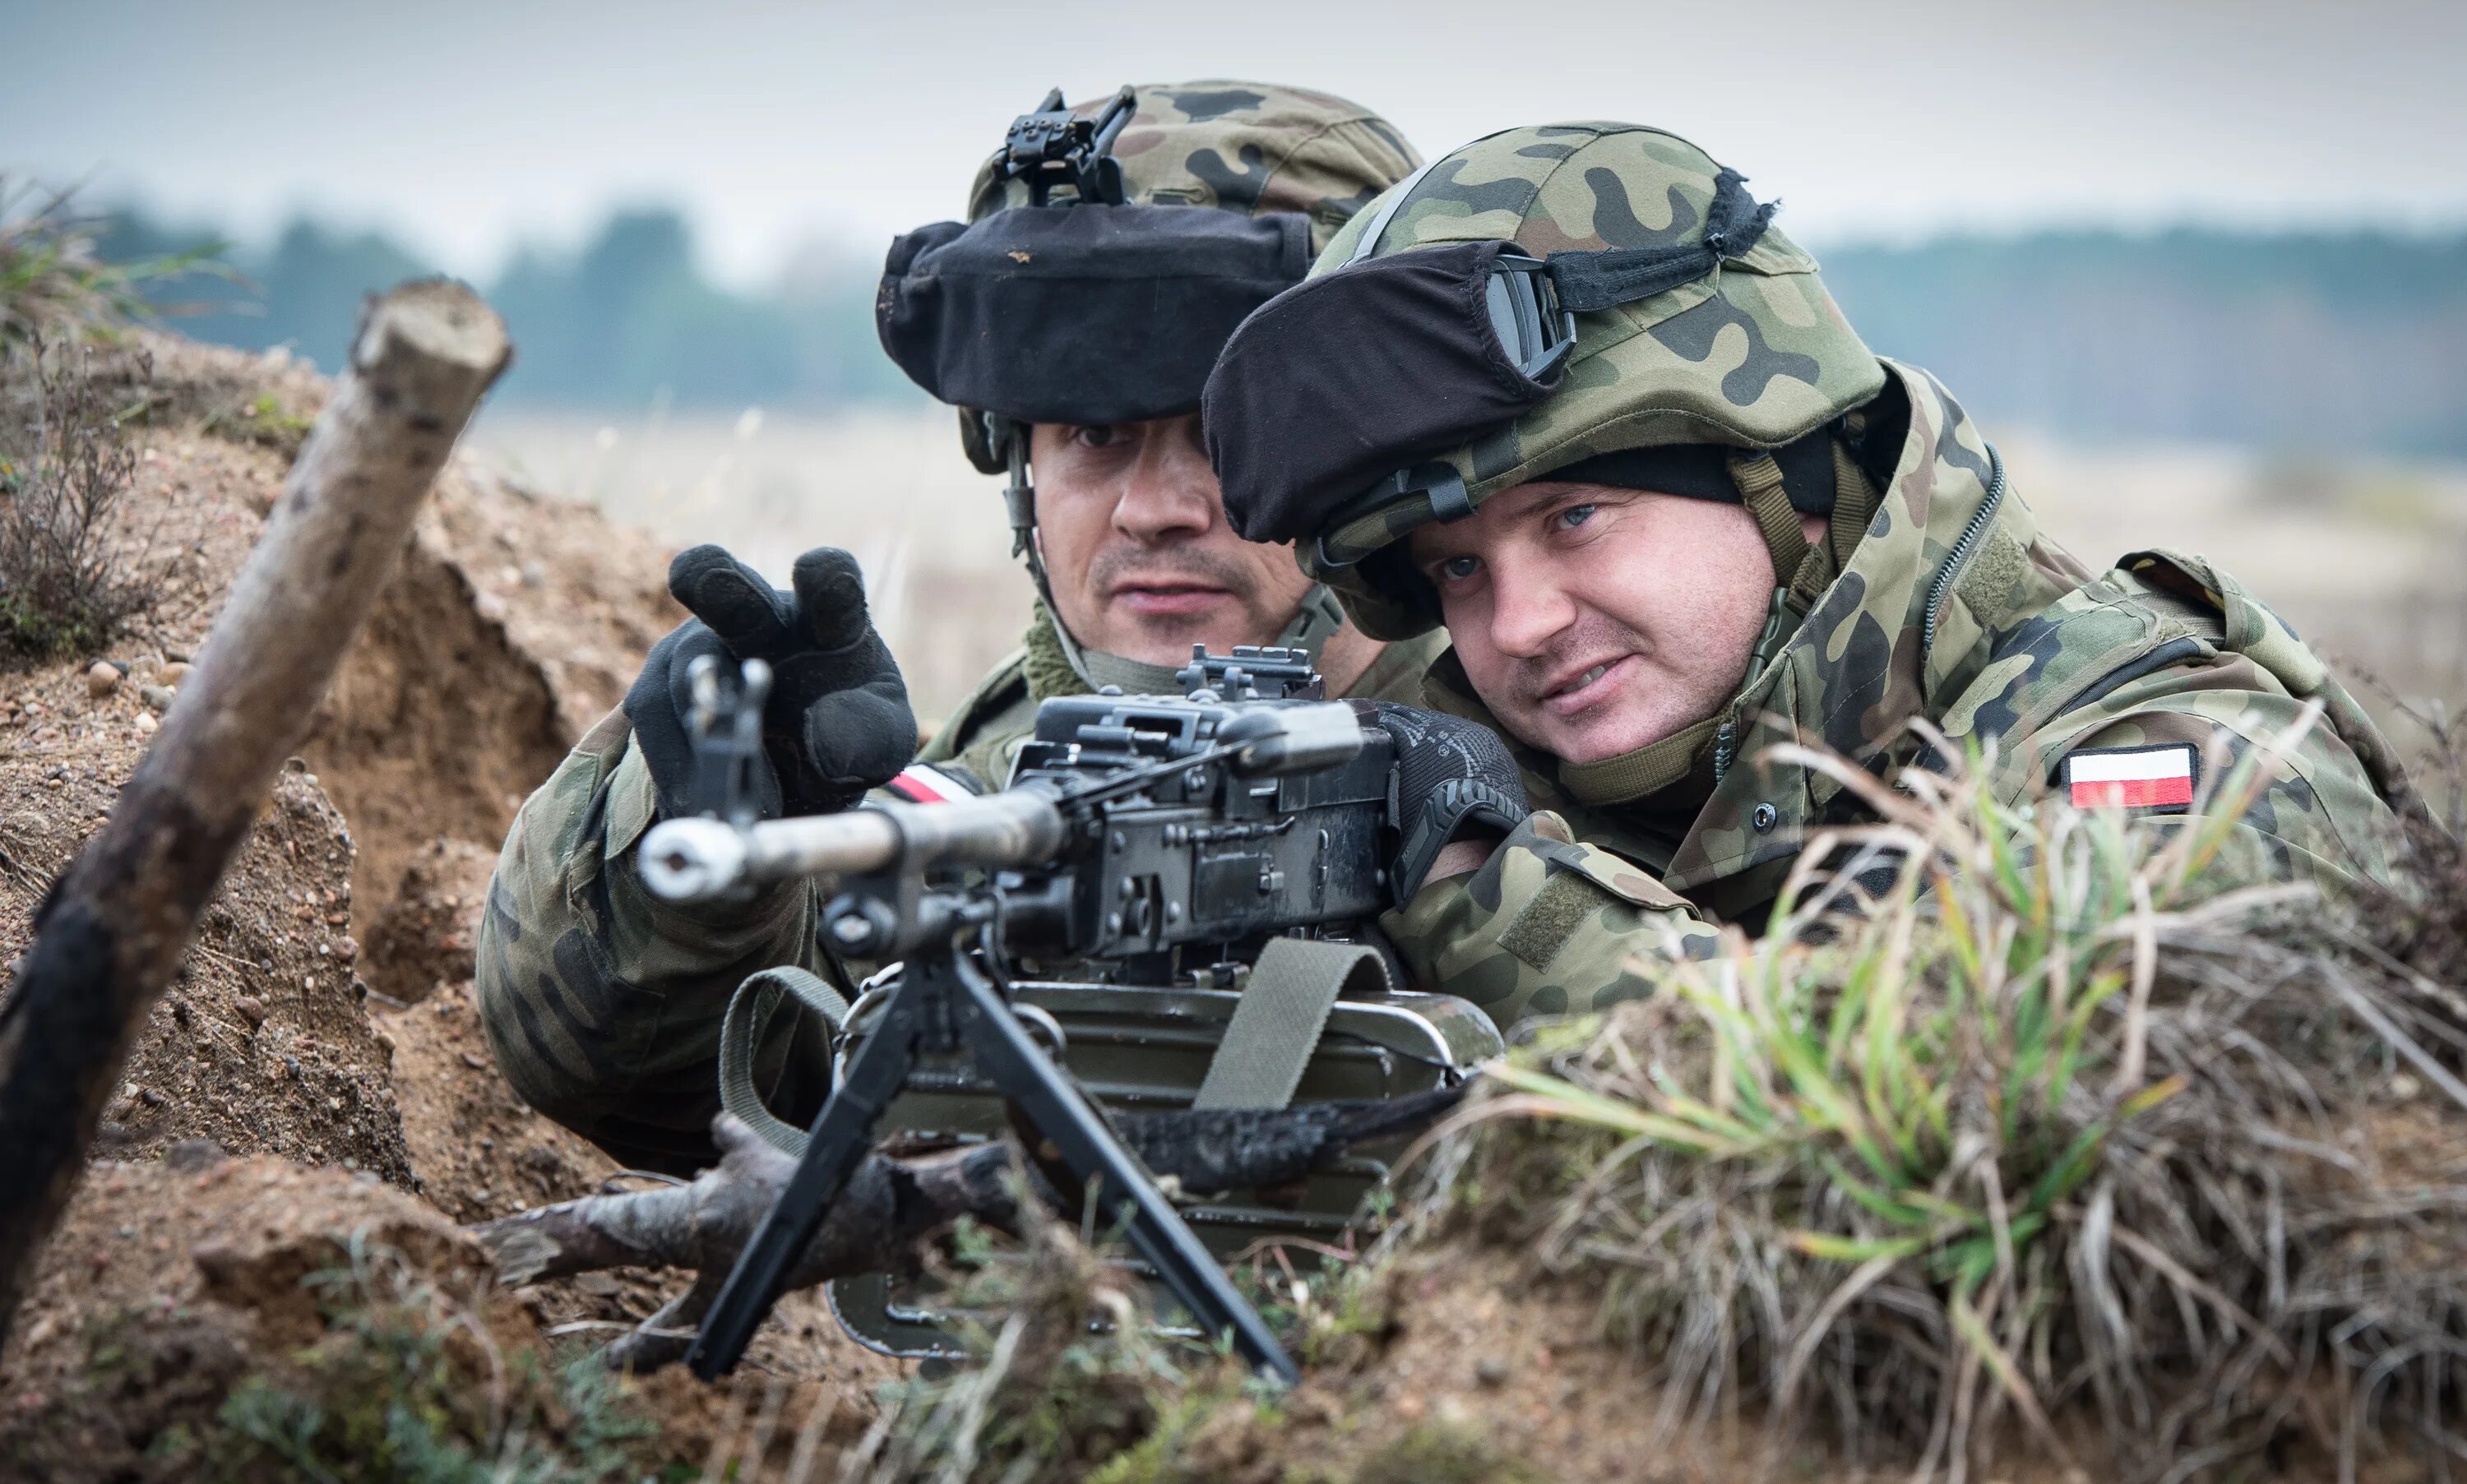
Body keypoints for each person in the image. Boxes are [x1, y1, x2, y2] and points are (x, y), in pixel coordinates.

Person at [1201, 121, 2416, 1031]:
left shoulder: (2170, 745)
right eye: (1458, 568)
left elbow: (1963, 1087)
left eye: (1576, 517)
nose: (1517, 623)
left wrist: (1502, 909)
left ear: (1787, 477)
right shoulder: (1470, 753)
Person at [476, 83, 1442, 1169]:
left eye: (1227, 432)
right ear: (1015, 458)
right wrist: (714, 863)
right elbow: (654, 1097)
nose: (1155, 504)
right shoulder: (992, 791)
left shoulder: (1547, 721)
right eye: (1093, 432)